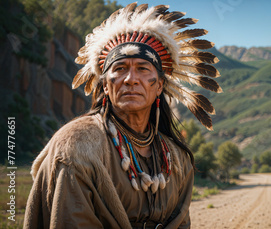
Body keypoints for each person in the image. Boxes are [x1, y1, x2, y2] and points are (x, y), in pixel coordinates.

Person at [24, 3, 222, 228]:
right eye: (119, 69)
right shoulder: (77, 144)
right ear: (106, 86)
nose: (130, 79)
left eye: (142, 68)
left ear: (159, 86)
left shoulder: (176, 158)